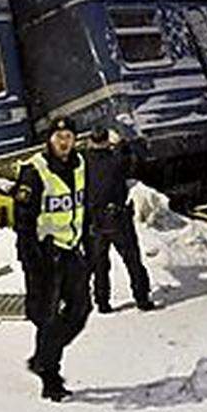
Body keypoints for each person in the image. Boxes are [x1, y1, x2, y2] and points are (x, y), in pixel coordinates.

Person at [12, 117, 92, 403]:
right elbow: (22, 221)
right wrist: (31, 260)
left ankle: (42, 358)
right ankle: (50, 377)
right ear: (49, 140)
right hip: (44, 254)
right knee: (46, 316)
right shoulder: (35, 171)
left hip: (70, 250)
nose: (64, 141)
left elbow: (84, 206)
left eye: (69, 136)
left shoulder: (80, 165)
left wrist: (88, 247)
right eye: (59, 136)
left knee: (81, 309)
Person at [83, 125, 156, 314]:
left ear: (91, 141)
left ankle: (102, 302)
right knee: (132, 260)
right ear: (107, 140)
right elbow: (134, 162)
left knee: (100, 264)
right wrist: (122, 144)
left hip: (94, 220)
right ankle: (142, 298)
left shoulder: (84, 162)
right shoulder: (116, 160)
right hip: (118, 218)